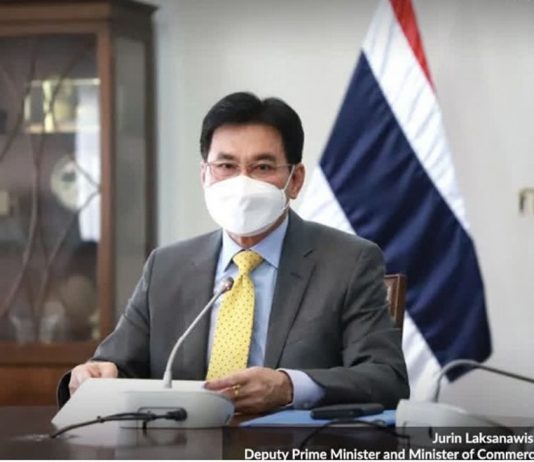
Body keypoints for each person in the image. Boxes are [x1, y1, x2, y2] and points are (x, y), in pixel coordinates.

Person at [59, 92, 409, 414]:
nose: (242, 183)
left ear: (295, 180)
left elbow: (385, 378)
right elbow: (117, 366)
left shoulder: (348, 263)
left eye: (262, 167)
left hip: (292, 447)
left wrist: (289, 387)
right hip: (182, 446)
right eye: (226, 166)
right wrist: (94, 375)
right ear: (204, 176)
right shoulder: (166, 266)